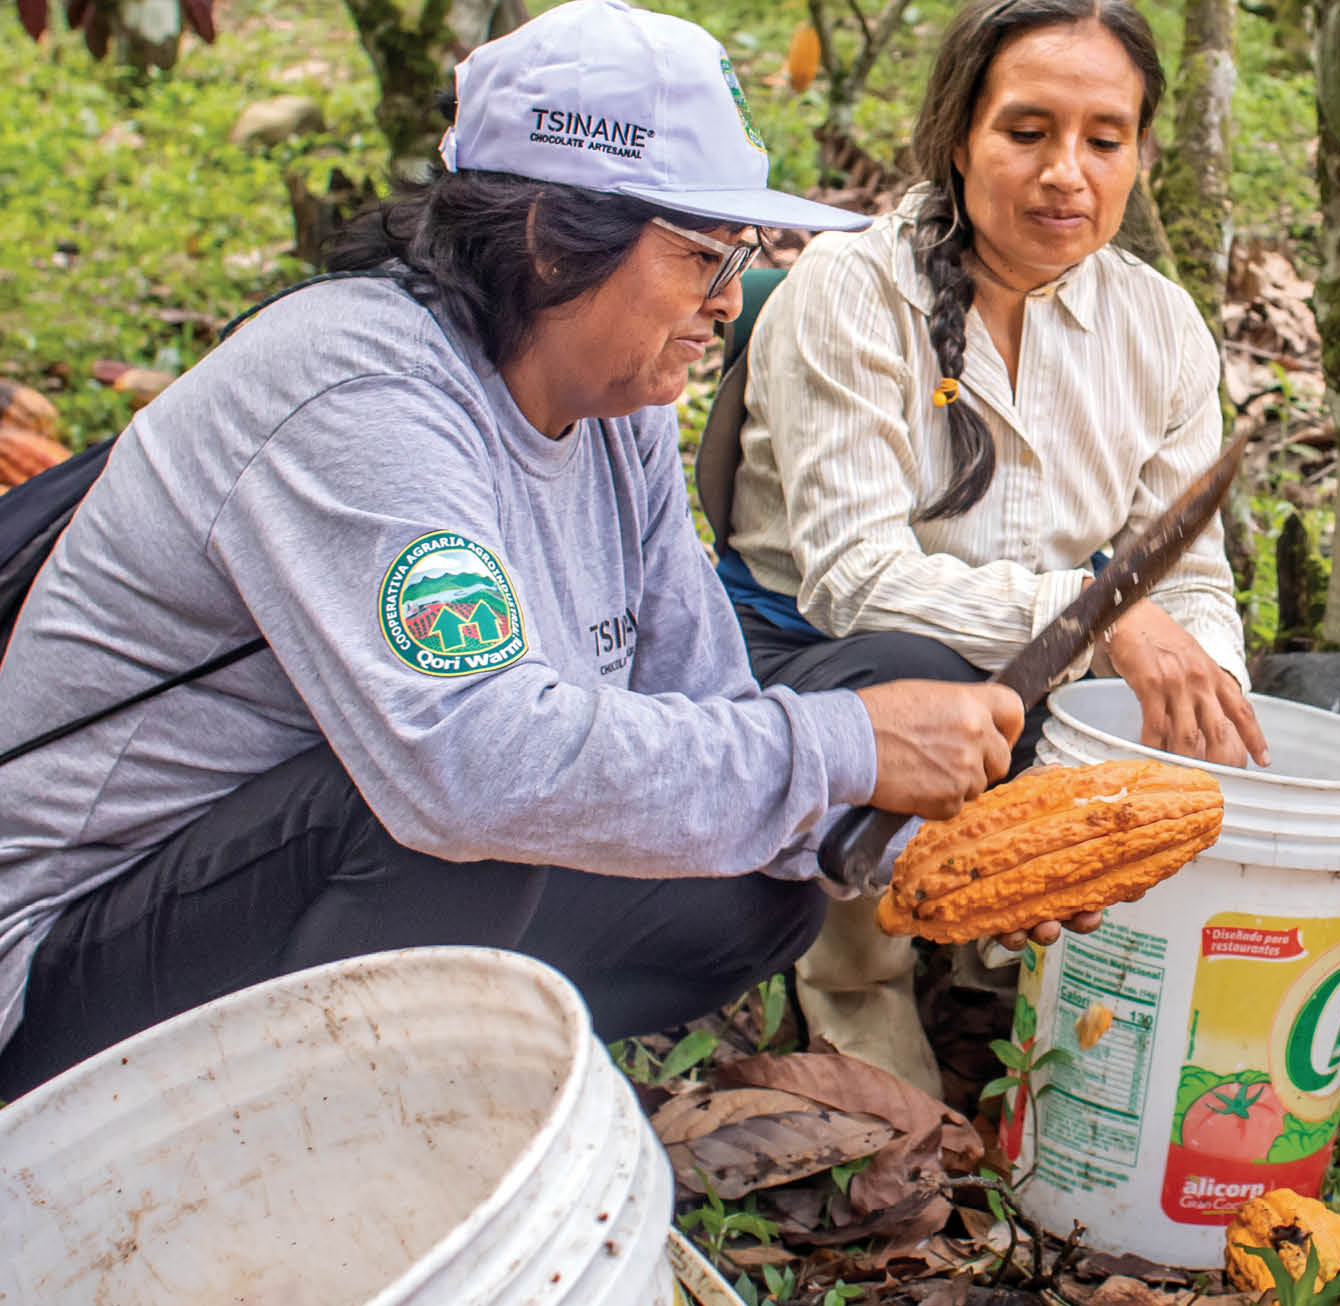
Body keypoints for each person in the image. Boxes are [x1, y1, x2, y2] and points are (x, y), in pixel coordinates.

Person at [0, 0, 1043, 1101]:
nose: (726, 302)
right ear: (550, 243)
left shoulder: (615, 402)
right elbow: (468, 768)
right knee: (464, 823)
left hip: (321, 884)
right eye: (700, 254)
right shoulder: (358, 392)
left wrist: (922, 846)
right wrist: (836, 749)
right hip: (63, 958)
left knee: (761, 879)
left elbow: (703, 698)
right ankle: (324, 1135)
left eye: (739, 255)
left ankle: (444, 1073)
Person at [719, 0, 1268, 1095]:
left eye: (1103, 139)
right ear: (958, 137)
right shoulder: (851, 292)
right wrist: (1109, 616)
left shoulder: (1157, 326)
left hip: (1037, 663)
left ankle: (1006, 983)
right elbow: (851, 582)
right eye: (1027, 132)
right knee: (922, 671)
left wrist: (1205, 695)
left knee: (1173, 716)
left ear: (1138, 154)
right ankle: (859, 1021)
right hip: (815, 656)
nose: (1067, 172)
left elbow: (1191, 573)